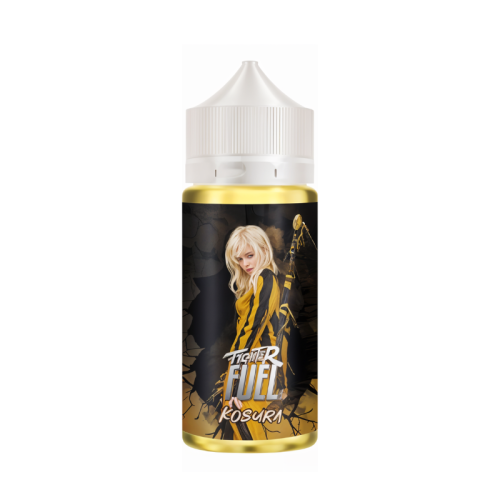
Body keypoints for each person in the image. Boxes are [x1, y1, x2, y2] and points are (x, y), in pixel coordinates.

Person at [221, 225, 284, 440]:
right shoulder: (253, 283)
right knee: (234, 420)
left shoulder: (265, 277)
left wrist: (235, 380)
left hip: (256, 362)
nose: (245, 264)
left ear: (264, 250)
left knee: (238, 415)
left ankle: (255, 459)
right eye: (239, 259)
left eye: (250, 255)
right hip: (249, 362)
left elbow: (252, 329)